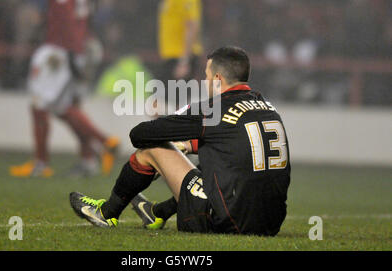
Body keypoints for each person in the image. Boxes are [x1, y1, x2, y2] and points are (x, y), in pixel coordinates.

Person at [70, 46, 291, 236]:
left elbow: (140, 134)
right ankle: (157, 212)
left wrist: (175, 139)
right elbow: (232, 145)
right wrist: (187, 145)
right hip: (270, 223)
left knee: (150, 150)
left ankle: (107, 213)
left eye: (206, 76)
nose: (204, 82)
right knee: (216, 163)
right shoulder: (267, 108)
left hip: (225, 222)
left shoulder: (212, 110)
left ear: (217, 79)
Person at [10, 0, 119, 178]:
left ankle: (41, 163)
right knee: (66, 106)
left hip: (61, 48)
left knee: (39, 103)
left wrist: (70, 48)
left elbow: (66, 13)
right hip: (81, 44)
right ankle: (99, 149)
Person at [156, 0, 203, 111]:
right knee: (163, 106)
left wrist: (184, 60)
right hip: (171, 56)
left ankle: (185, 135)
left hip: (180, 57)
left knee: (172, 107)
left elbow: (192, 24)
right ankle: (174, 135)